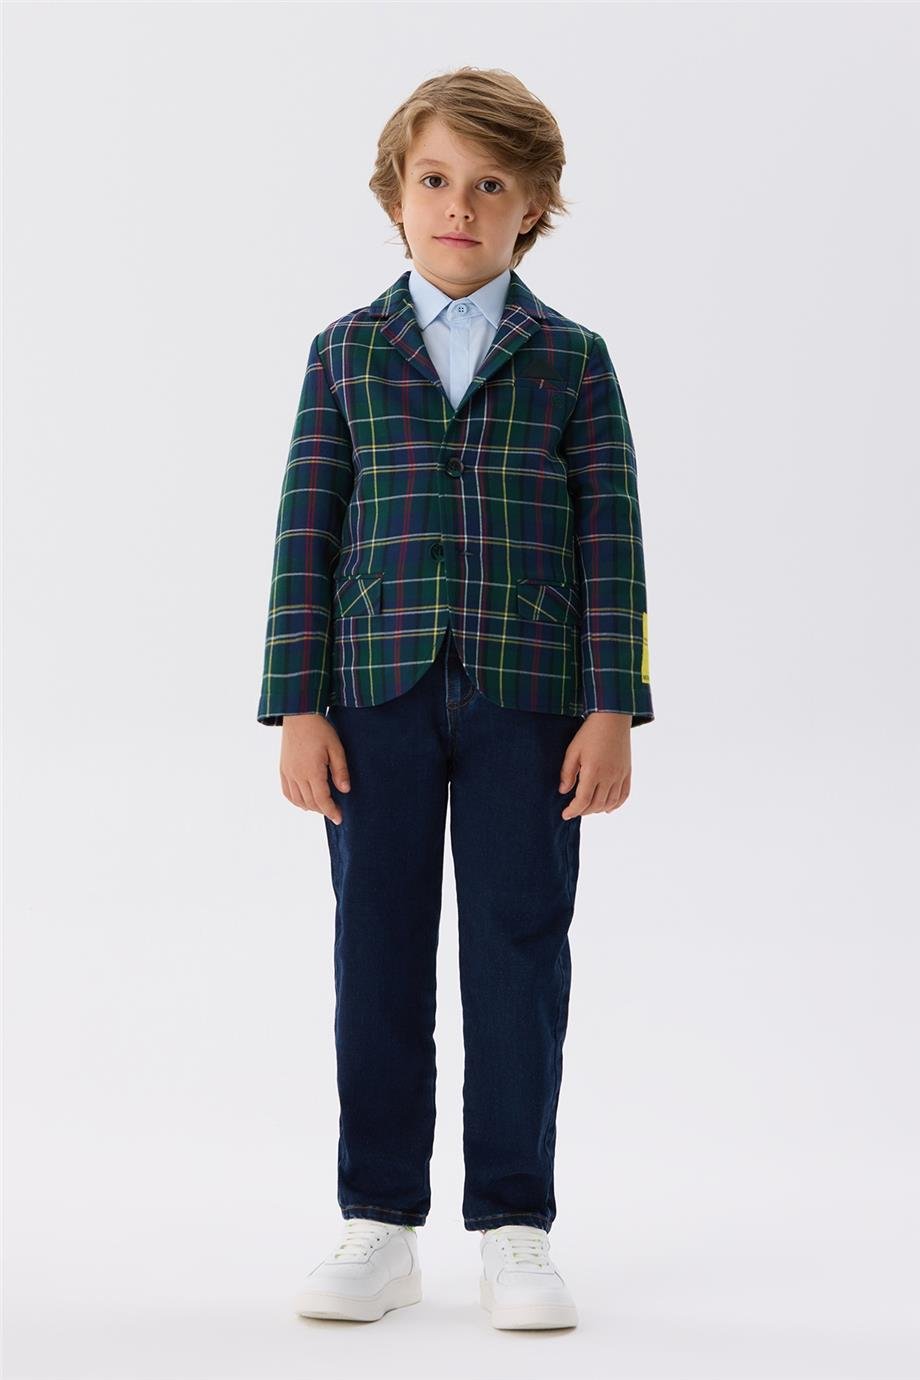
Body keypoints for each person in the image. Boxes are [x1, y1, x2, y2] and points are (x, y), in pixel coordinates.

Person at [257, 66, 655, 1331]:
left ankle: (515, 1225)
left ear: (532, 208)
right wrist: (296, 704)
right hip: (368, 696)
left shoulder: (572, 361)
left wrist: (613, 705)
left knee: (518, 950)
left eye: (491, 186)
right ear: (395, 195)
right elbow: (305, 534)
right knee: (374, 949)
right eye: (435, 179)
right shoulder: (343, 352)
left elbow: (612, 543)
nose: (459, 207)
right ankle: (377, 1220)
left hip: (530, 699)